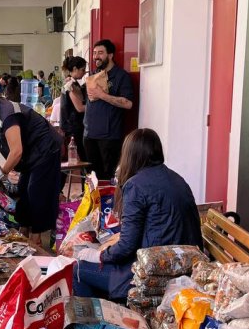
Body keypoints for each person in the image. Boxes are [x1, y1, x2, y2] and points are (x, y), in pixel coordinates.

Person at [73, 129, 202, 301]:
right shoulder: (177, 178)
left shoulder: (135, 186)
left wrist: (99, 255)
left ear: (129, 155)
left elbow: (127, 246)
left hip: (157, 272)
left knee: (77, 269)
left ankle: (94, 325)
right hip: (183, 264)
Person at [0, 89, 63, 244]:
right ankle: (24, 230)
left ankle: (36, 238)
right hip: (30, 156)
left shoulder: (8, 113)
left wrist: (1, 172)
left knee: (36, 191)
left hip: (45, 150)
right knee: (23, 189)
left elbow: (16, 152)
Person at [84, 39, 134, 180]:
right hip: (89, 135)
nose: (96, 57)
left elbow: (128, 104)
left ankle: (108, 202)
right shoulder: (93, 75)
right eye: (94, 53)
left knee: (108, 177)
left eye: (100, 53)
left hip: (109, 137)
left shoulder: (121, 76)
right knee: (92, 177)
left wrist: (102, 95)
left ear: (110, 55)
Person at [60, 56, 88, 163]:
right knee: (82, 158)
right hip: (73, 127)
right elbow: (80, 108)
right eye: (82, 70)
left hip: (72, 126)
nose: (84, 72)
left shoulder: (73, 83)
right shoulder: (70, 85)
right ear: (75, 69)